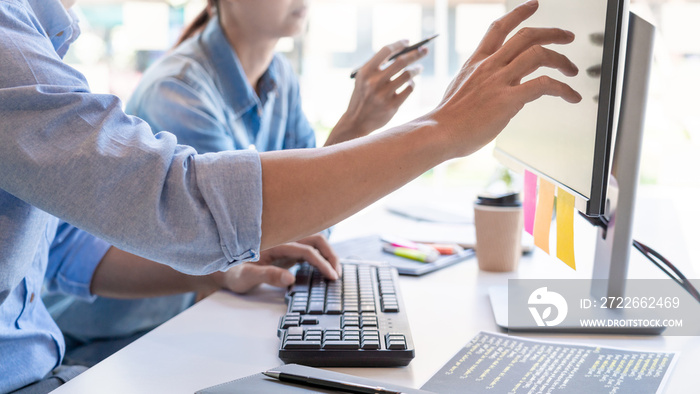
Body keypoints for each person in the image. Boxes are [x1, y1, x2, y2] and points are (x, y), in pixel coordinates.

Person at [0, 0, 580, 392]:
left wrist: (222, 272)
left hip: (55, 362)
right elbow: (190, 212)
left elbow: (67, 247)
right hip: (87, 351)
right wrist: (442, 130)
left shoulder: (279, 78)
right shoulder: (27, 47)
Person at [47, 0, 428, 358]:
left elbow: (303, 228)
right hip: (122, 332)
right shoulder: (178, 90)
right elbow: (229, 236)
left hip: (201, 308)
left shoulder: (279, 77)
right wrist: (356, 126)